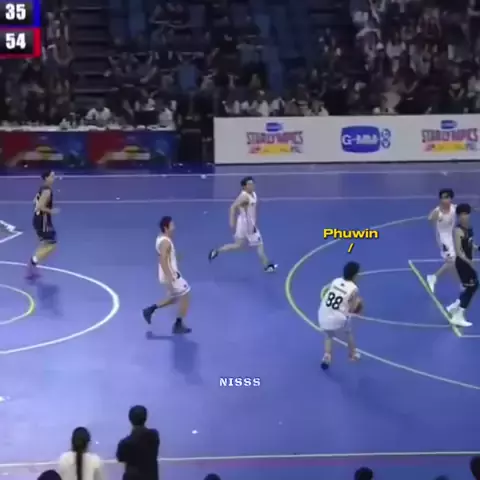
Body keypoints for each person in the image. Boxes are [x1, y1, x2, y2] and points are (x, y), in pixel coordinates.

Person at [208, 176, 277, 272]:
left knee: (238, 245)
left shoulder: (253, 194)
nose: (252, 185)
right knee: (259, 245)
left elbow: (252, 208)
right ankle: (267, 266)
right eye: (249, 184)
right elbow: (233, 207)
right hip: (248, 226)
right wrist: (231, 222)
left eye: (252, 183)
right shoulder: (244, 196)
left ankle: (217, 251)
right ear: (244, 187)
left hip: (244, 224)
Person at [142, 216, 191, 333]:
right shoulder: (165, 242)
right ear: (166, 227)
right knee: (186, 296)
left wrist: (175, 258)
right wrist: (170, 277)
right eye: (172, 225)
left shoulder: (161, 238)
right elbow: (163, 260)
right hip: (171, 275)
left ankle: (150, 310)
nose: (174, 227)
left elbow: (166, 257)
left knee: (175, 298)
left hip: (166, 274)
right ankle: (178, 325)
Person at [318, 261, 362, 370]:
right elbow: (352, 309)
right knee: (348, 331)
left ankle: (327, 356)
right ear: (355, 275)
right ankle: (353, 354)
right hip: (337, 318)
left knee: (328, 335)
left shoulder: (336, 281)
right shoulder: (354, 288)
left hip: (323, 313)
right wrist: (358, 304)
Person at [445, 203, 478, 327]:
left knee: (472, 286)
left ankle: (456, 305)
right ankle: (458, 316)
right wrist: (469, 261)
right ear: (458, 216)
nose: (464, 216)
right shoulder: (458, 230)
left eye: (466, 213)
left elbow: (470, 243)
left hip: (467, 262)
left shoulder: (469, 229)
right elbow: (459, 251)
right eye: (462, 214)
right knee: (473, 286)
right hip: (462, 263)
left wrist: (477, 248)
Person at [28, 170, 59, 279]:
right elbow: (39, 206)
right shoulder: (47, 191)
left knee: (46, 242)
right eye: (52, 176)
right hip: (43, 221)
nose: (54, 178)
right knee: (52, 243)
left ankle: (33, 264)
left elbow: (34, 201)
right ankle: (33, 262)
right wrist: (51, 211)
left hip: (40, 219)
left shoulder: (42, 188)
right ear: (46, 178)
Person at [116, 405, 160, 480]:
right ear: (145, 418)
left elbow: (120, 458)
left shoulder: (125, 443)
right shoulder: (154, 436)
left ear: (130, 419)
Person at [426, 189, 457, 292]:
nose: (445, 200)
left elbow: (466, 209)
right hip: (443, 240)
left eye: (447, 197)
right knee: (451, 261)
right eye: (443, 198)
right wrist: (433, 214)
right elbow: (430, 219)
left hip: (451, 238)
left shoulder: (454, 208)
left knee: (453, 262)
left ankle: (460, 282)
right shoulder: (438, 211)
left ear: (451, 198)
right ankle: (433, 277)